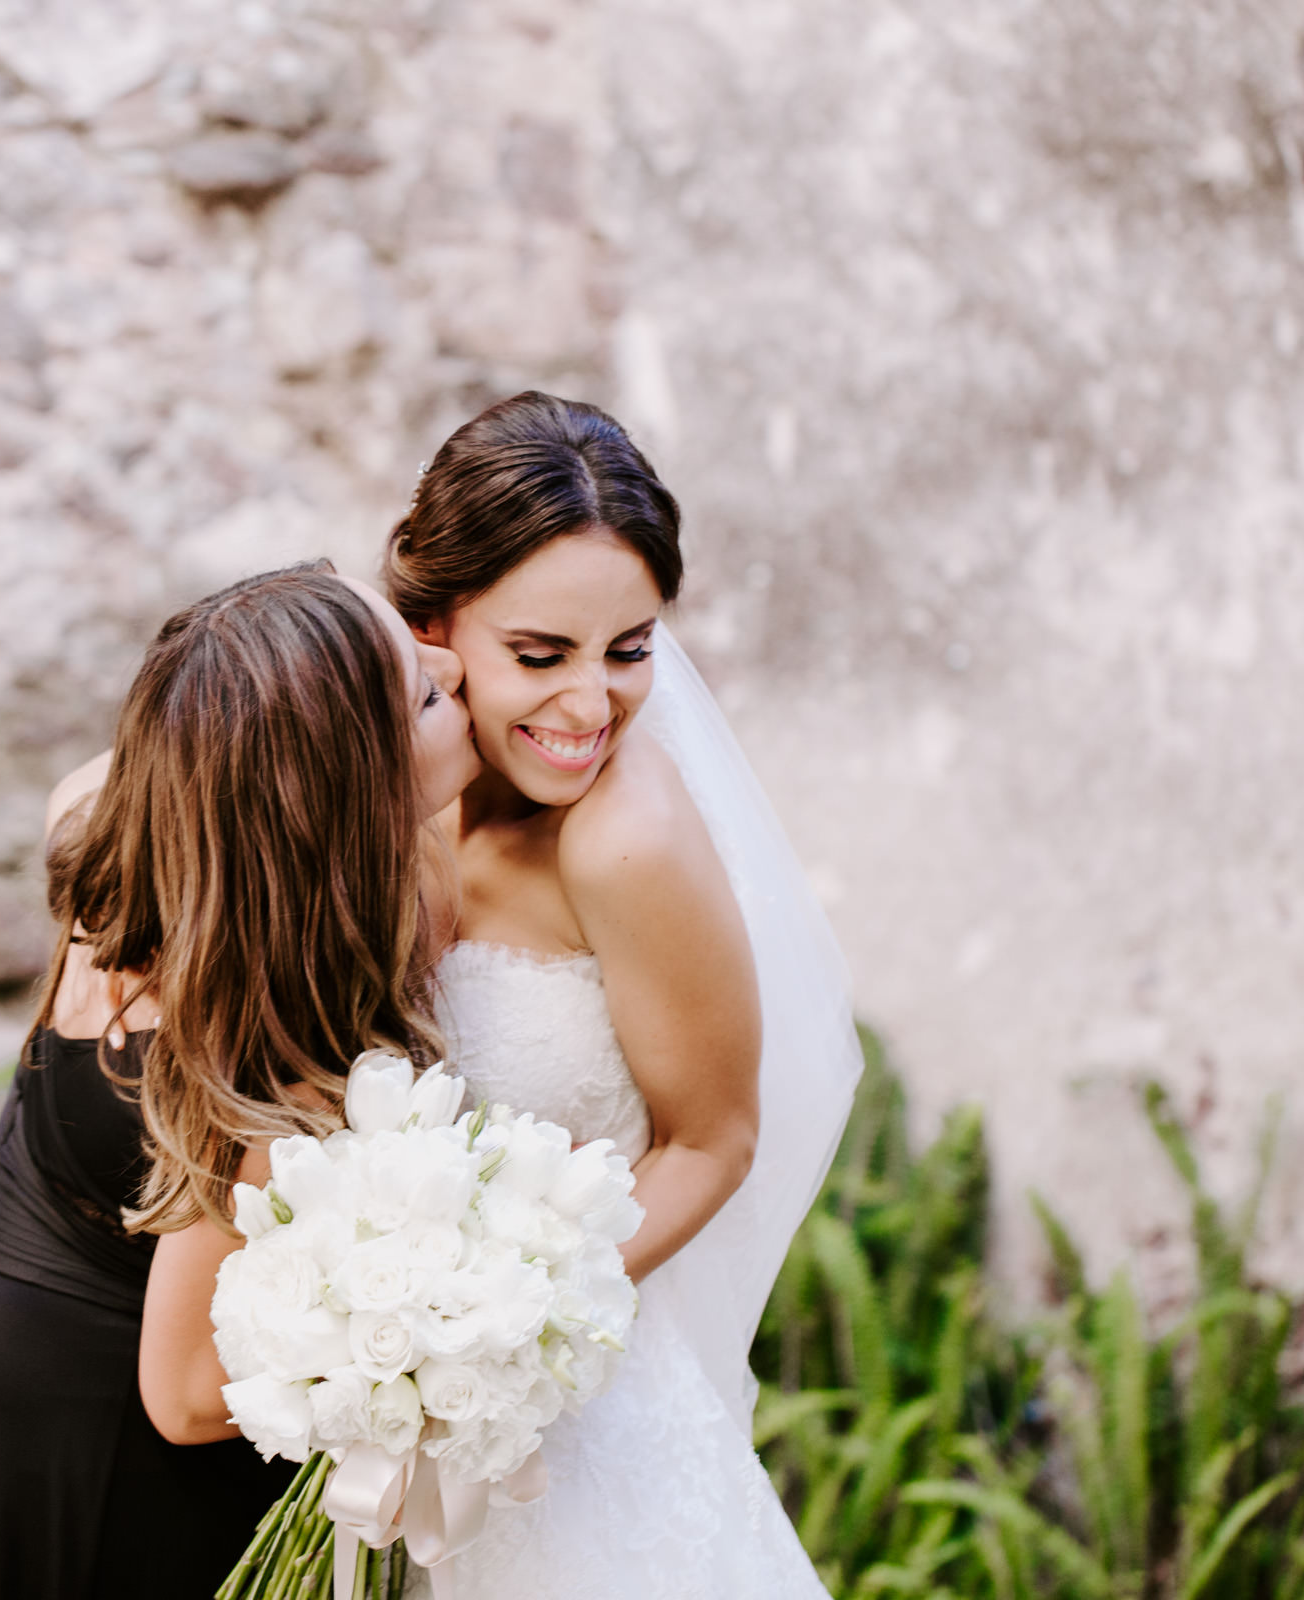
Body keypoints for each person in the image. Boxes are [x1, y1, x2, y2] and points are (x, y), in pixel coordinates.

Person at [0, 562, 480, 1599]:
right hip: (95, 1461)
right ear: (347, 792)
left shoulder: (111, 815)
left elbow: (227, 739)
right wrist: (424, 1339)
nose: (454, 666)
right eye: (422, 691)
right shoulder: (264, 1057)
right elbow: (187, 1395)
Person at [385, 392, 863, 1598]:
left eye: (631, 649)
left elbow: (715, 1138)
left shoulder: (623, 843)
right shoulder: (404, 787)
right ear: (434, 624)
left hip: (571, 1432)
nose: (591, 705)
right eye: (540, 656)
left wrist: (504, 1335)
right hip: (393, 1418)